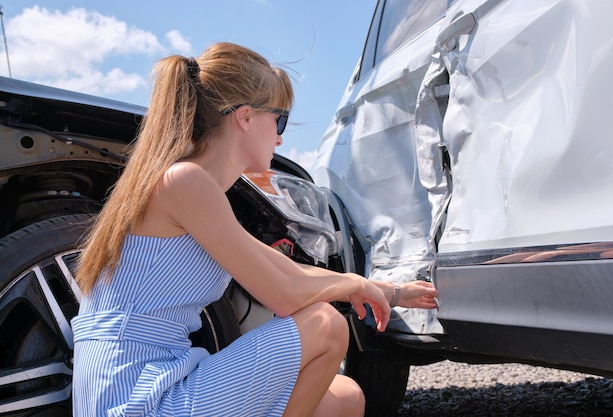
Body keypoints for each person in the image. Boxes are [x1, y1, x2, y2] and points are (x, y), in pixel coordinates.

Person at [71, 41, 439, 417]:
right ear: (245, 117)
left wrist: (392, 292)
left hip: (159, 381)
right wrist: (354, 286)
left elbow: (288, 270)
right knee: (325, 325)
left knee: (343, 398)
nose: (281, 137)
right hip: (136, 398)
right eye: (279, 120)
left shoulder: (192, 187)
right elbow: (284, 294)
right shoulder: (185, 181)